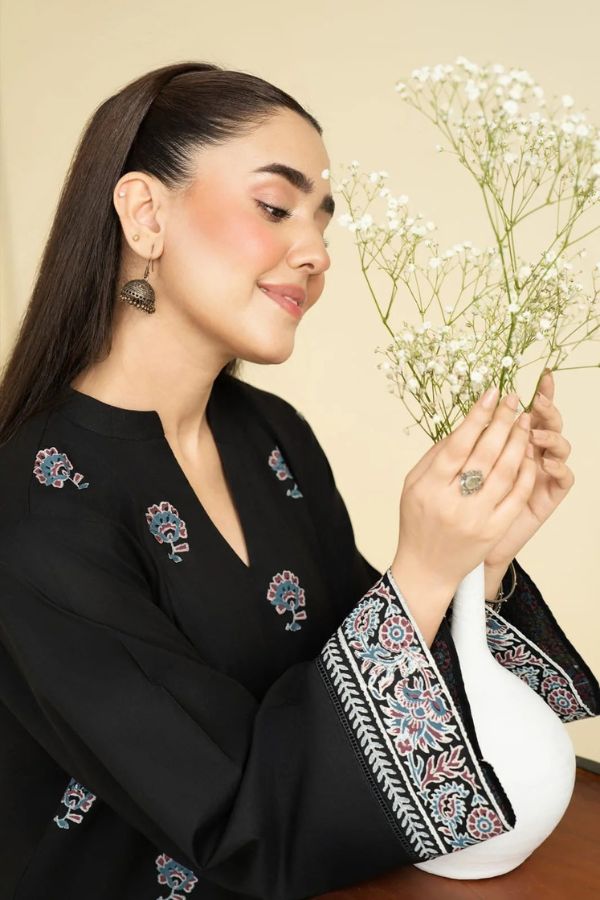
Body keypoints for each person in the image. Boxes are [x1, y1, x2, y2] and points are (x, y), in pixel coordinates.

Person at [0, 61, 597, 900]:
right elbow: (240, 827)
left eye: (323, 221)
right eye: (274, 208)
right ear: (144, 213)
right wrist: (421, 573)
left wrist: (476, 565)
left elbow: (349, 685)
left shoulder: (269, 437)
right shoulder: (34, 506)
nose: (315, 253)